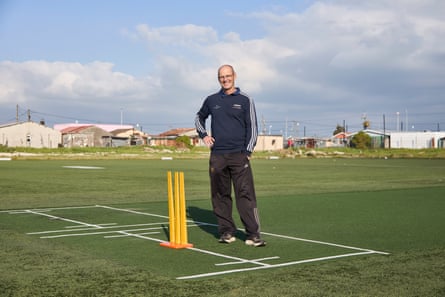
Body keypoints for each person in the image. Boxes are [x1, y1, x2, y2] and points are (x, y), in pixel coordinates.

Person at [195, 64, 266, 247]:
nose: (225, 79)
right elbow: (199, 118)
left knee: (245, 194)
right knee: (220, 195)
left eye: (227, 76)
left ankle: (253, 234)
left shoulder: (245, 100)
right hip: (218, 156)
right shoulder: (212, 100)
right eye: (221, 77)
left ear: (234, 76)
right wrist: (204, 135)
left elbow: (253, 127)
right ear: (218, 79)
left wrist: (248, 152)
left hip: (239, 155)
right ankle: (226, 232)